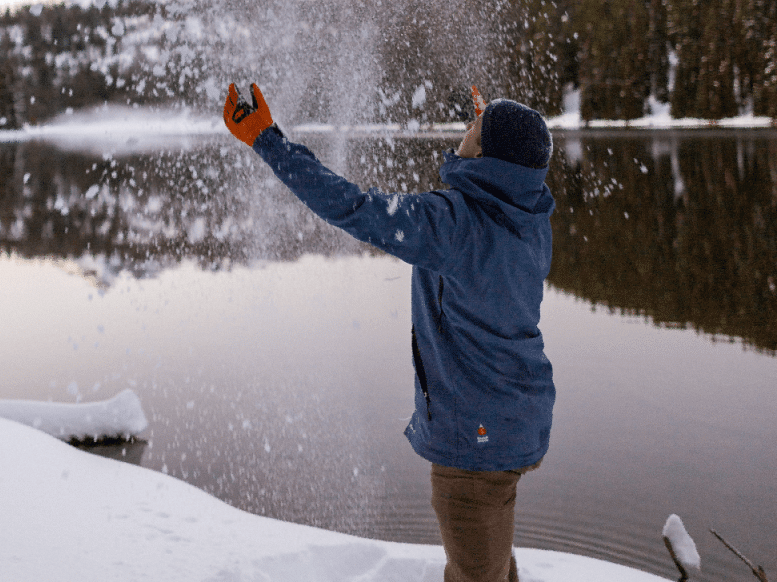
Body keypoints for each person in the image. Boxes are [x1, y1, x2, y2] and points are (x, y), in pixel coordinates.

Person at [222, 82, 556, 582]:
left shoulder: (450, 227)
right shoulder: (529, 217)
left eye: (472, 128)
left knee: (476, 575)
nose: (464, 129)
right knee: (491, 563)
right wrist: (493, 134)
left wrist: (268, 139)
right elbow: (509, 172)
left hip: (473, 444)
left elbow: (354, 207)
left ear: (487, 155)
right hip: (516, 418)